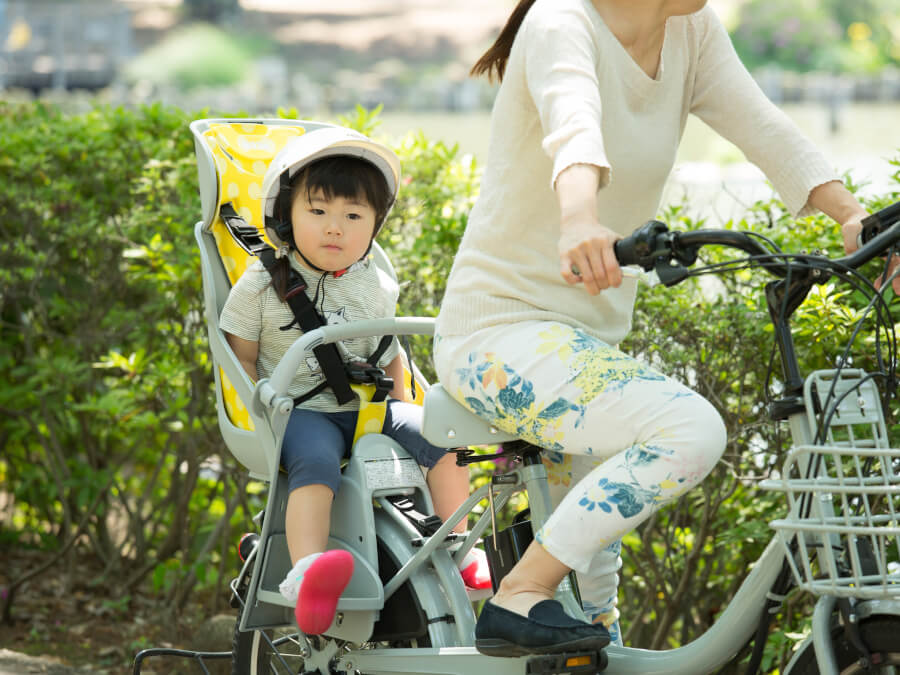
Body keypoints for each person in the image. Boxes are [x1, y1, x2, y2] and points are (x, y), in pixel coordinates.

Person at [433, 0, 875, 658]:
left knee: (593, 611)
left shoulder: (689, 31)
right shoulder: (562, 22)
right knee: (687, 429)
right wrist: (579, 216)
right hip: (497, 335)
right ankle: (518, 594)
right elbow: (573, 124)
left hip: (581, 348)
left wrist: (852, 217)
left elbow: (764, 126)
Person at [219, 126, 490, 636]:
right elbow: (240, 361)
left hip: (368, 409)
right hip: (301, 412)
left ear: (373, 225)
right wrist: (266, 410)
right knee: (316, 465)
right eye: (317, 212)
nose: (334, 229)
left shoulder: (374, 283)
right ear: (286, 217)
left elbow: (390, 356)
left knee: (443, 437)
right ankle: (309, 574)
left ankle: (457, 546)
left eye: (353, 216)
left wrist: (411, 410)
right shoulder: (259, 285)